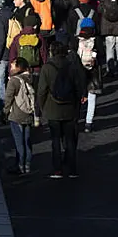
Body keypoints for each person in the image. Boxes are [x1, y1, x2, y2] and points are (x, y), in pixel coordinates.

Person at [36, 42, 87, 179]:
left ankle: (57, 169)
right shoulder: (72, 67)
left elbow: (41, 91)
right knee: (70, 140)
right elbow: (79, 87)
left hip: (53, 108)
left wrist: (41, 108)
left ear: (52, 51)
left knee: (55, 140)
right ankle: (72, 169)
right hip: (70, 108)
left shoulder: (47, 68)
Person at [3, 58, 36, 174]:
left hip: (16, 115)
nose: (10, 68)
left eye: (12, 66)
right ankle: (27, 164)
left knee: (19, 142)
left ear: (18, 67)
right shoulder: (31, 78)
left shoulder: (14, 81)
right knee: (27, 140)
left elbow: (8, 99)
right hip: (28, 114)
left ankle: (20, 165)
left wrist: (5, 112)